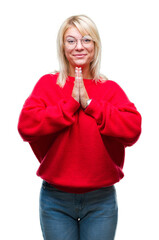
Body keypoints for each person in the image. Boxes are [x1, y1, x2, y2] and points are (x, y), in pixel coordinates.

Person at [17, 15, 142, 240]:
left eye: (86, 39)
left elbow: (132, 130)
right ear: (62, 46)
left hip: (101, 199)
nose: (79, 47)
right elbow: (26, 126)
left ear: (95, 45)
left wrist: (91, 104)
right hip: (55, 198)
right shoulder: (48, 84)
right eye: (71, 40)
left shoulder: (109, 89)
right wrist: (70, 105)